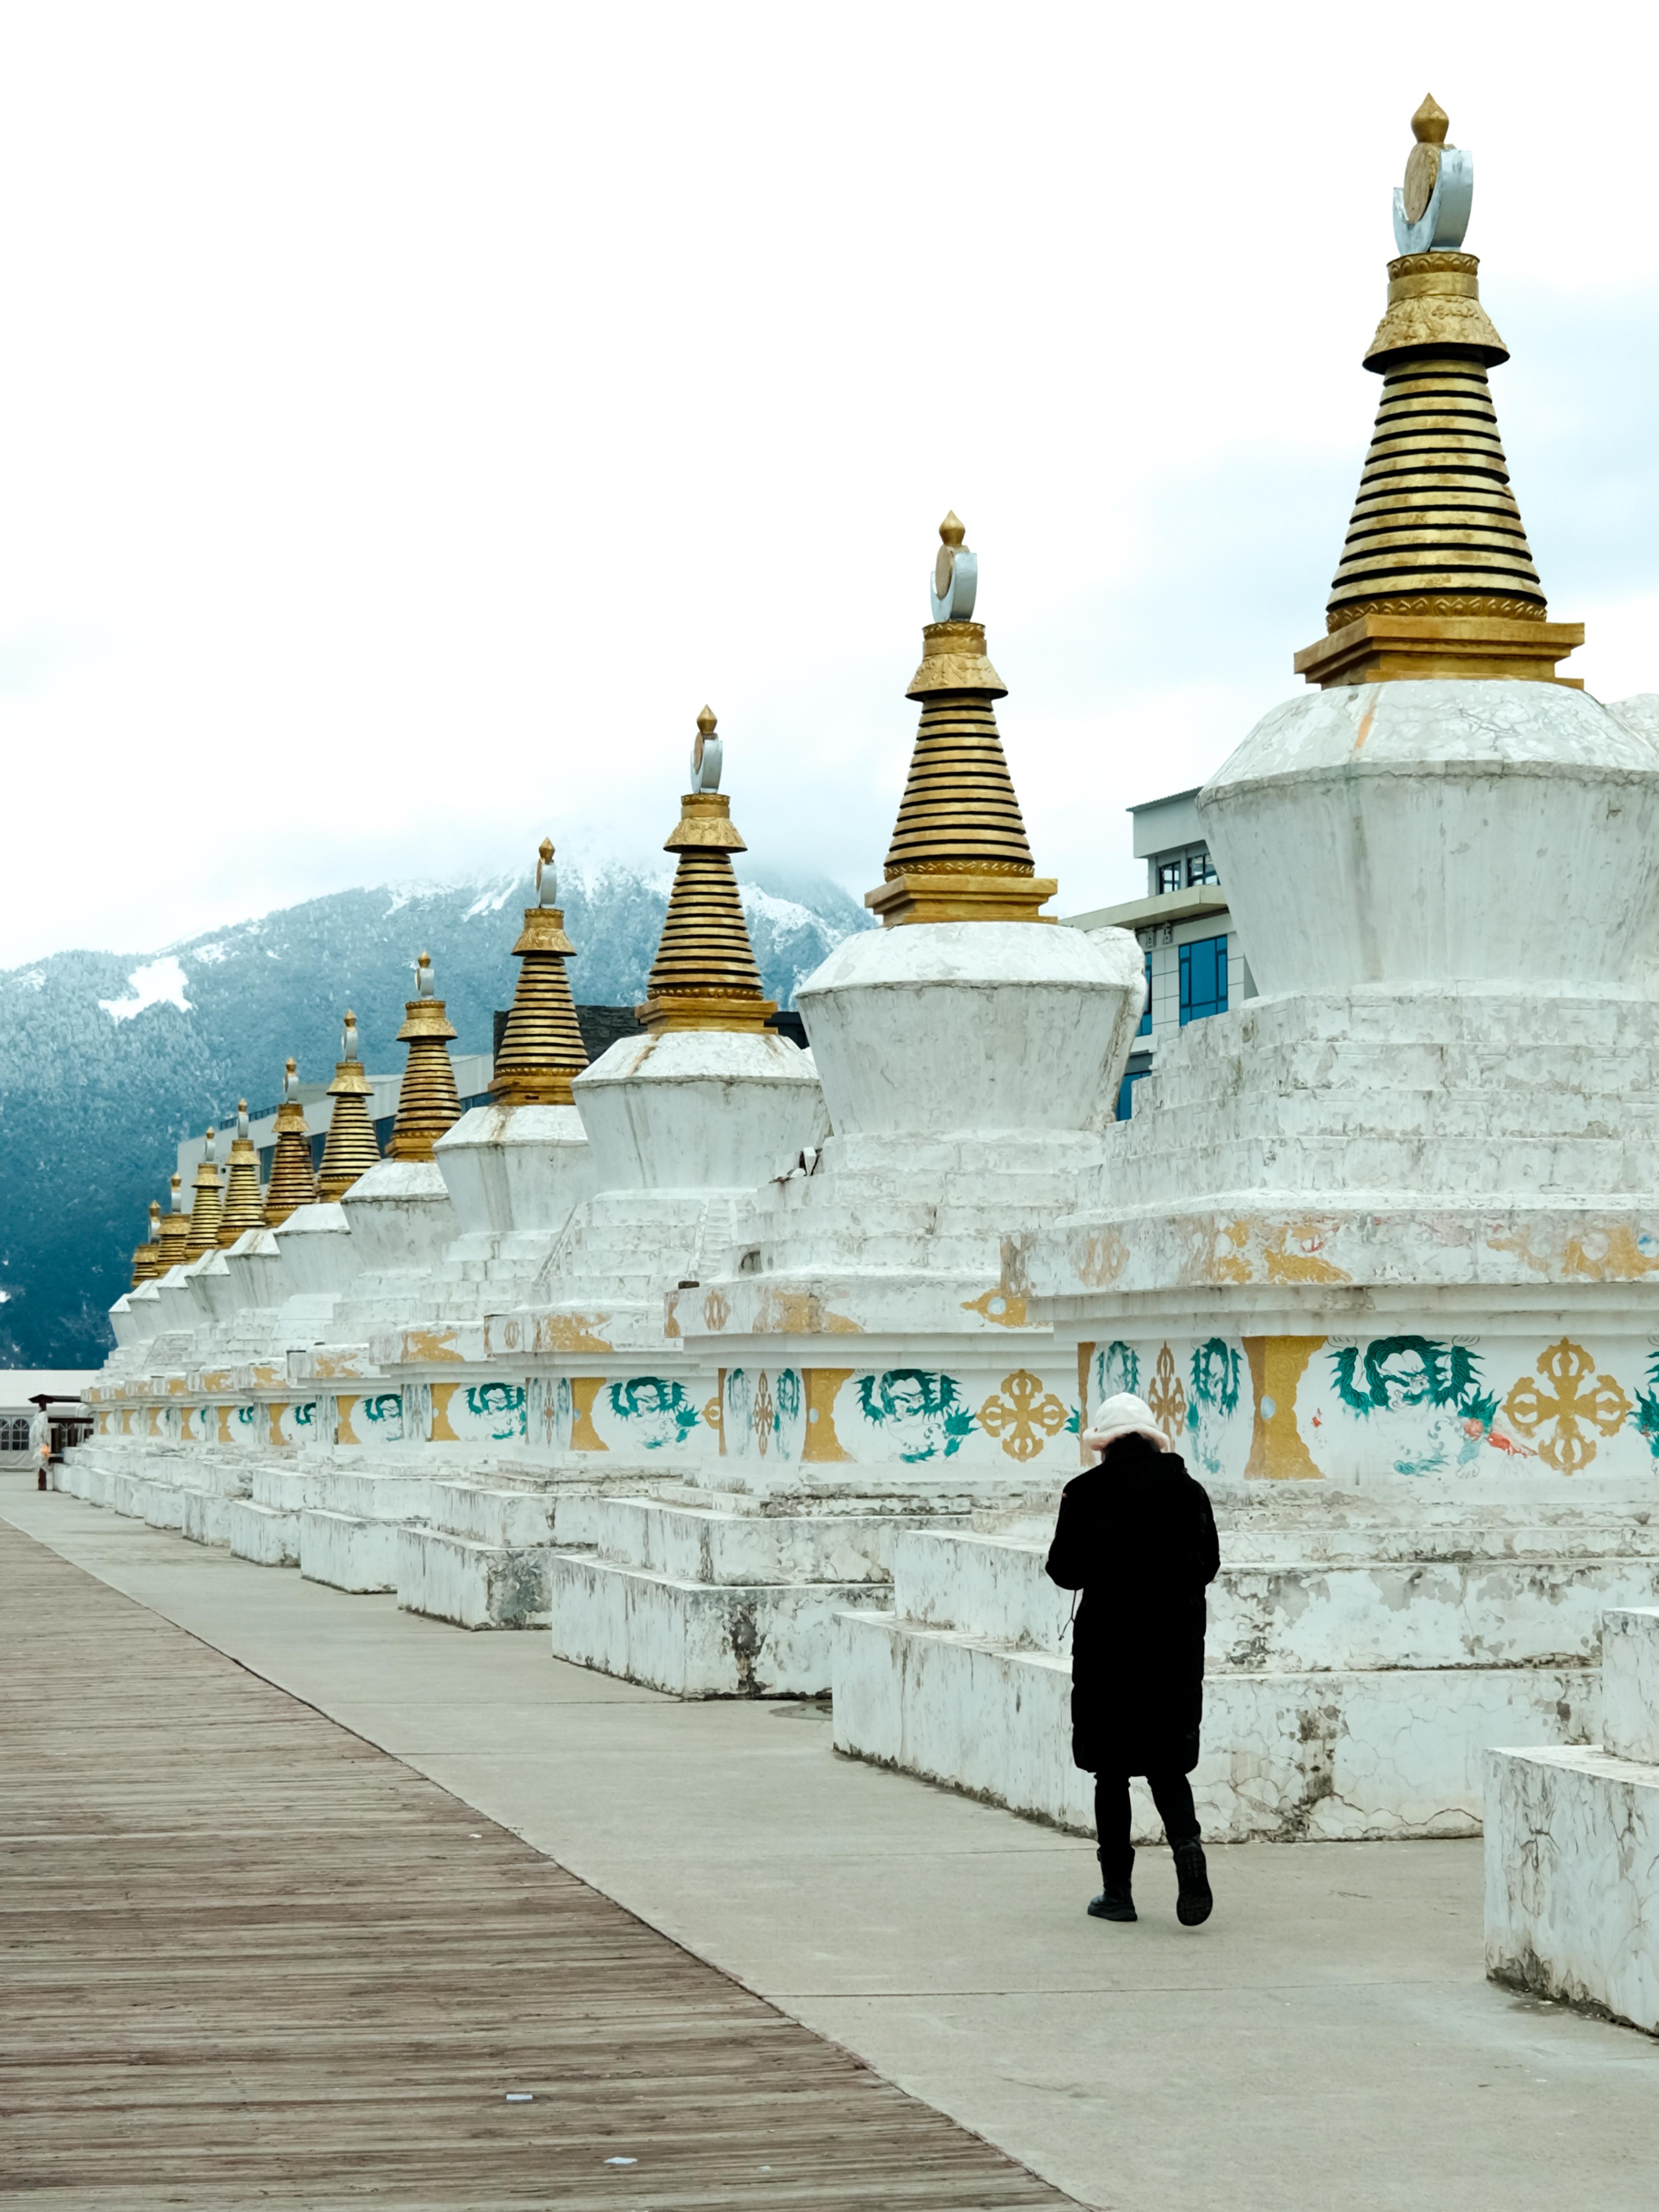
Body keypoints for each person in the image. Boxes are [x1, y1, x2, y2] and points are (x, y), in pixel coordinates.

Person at [1046, 1390, 1220, 1926]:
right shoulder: (1189, 1490)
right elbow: (1207, 1563)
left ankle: (1117, 1892)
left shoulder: (1085, 1491)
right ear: (1151, 1439)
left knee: (1111, 1770)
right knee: (1167, 1760)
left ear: (1104, 1446)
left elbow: (1064, 1570)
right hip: (1173, 1645)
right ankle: (1187, 1850)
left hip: (1109, 1647)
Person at [28, 1404, 53, 1491]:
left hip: (42, 1445)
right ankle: (42, 1484)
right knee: (43, 1461)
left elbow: (33, 1436)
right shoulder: (41, 1422)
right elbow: (45, 1436)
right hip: (43, 1445)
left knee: (43, 1461)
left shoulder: (38, 1421)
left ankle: (42, 1483)